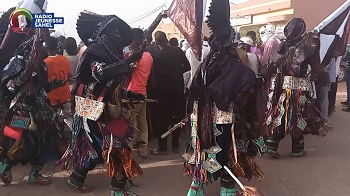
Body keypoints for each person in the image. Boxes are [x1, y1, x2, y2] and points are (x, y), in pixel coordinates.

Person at [57, 11, 145, 195]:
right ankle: (115, 189)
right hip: (94, 109)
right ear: (106, 33)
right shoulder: (96, 52)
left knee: (108, 147)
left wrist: (131, 94)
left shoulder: (111, 53)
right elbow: (101, 73)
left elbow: (110, 84)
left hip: (103, 108)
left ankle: (81, 178)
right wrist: (129, 60)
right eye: (116, 32)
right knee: (112, 148)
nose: (119, 37)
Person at [184, 1, 266, 195]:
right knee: (229, 158)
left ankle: (196, 190)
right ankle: (225, 192)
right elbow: (243, 91)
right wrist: (257, 83)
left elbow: (193, 91)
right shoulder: (233, 65)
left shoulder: (208, 62)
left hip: (202, 120)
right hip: (225, 124)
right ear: (232, 44)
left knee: (203, 156)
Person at [264, 18, 332, 159]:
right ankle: (297, 149)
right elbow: (316, 68)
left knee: (281, 115)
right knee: (299, 117)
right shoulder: (308, 47)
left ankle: (272, 145)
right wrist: (316, 77)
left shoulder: (284, 45)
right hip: (300, 89)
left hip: (283, 88)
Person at [150, 31, 190, 155]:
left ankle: (162, 147)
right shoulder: (178, 51)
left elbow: (154, 77)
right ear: (166, 39)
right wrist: (177, 72)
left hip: (163, 94)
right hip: (178, 90)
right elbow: (187, 67)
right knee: (177, 119)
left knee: (163, 121)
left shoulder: (157, 56)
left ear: (156, 42)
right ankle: (175, 144)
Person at [127, 28, 153, 159]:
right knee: (142, 123)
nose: (130, 43)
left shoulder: (135, 56)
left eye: (131, 40)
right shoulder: (149, 56)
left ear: (136, 40)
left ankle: (131, 149)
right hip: (143, 92)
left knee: (131, 123)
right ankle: (143, 150)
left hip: (132, 94)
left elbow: (127, 74)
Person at [44, 37, 73, 131]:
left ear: (46, 48)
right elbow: (68, 75)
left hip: (52, 97)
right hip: (65, 94)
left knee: (54, 119)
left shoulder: (45, 62)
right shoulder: (64, 59)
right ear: (57, 47)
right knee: (68, 118)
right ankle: (75, 136)